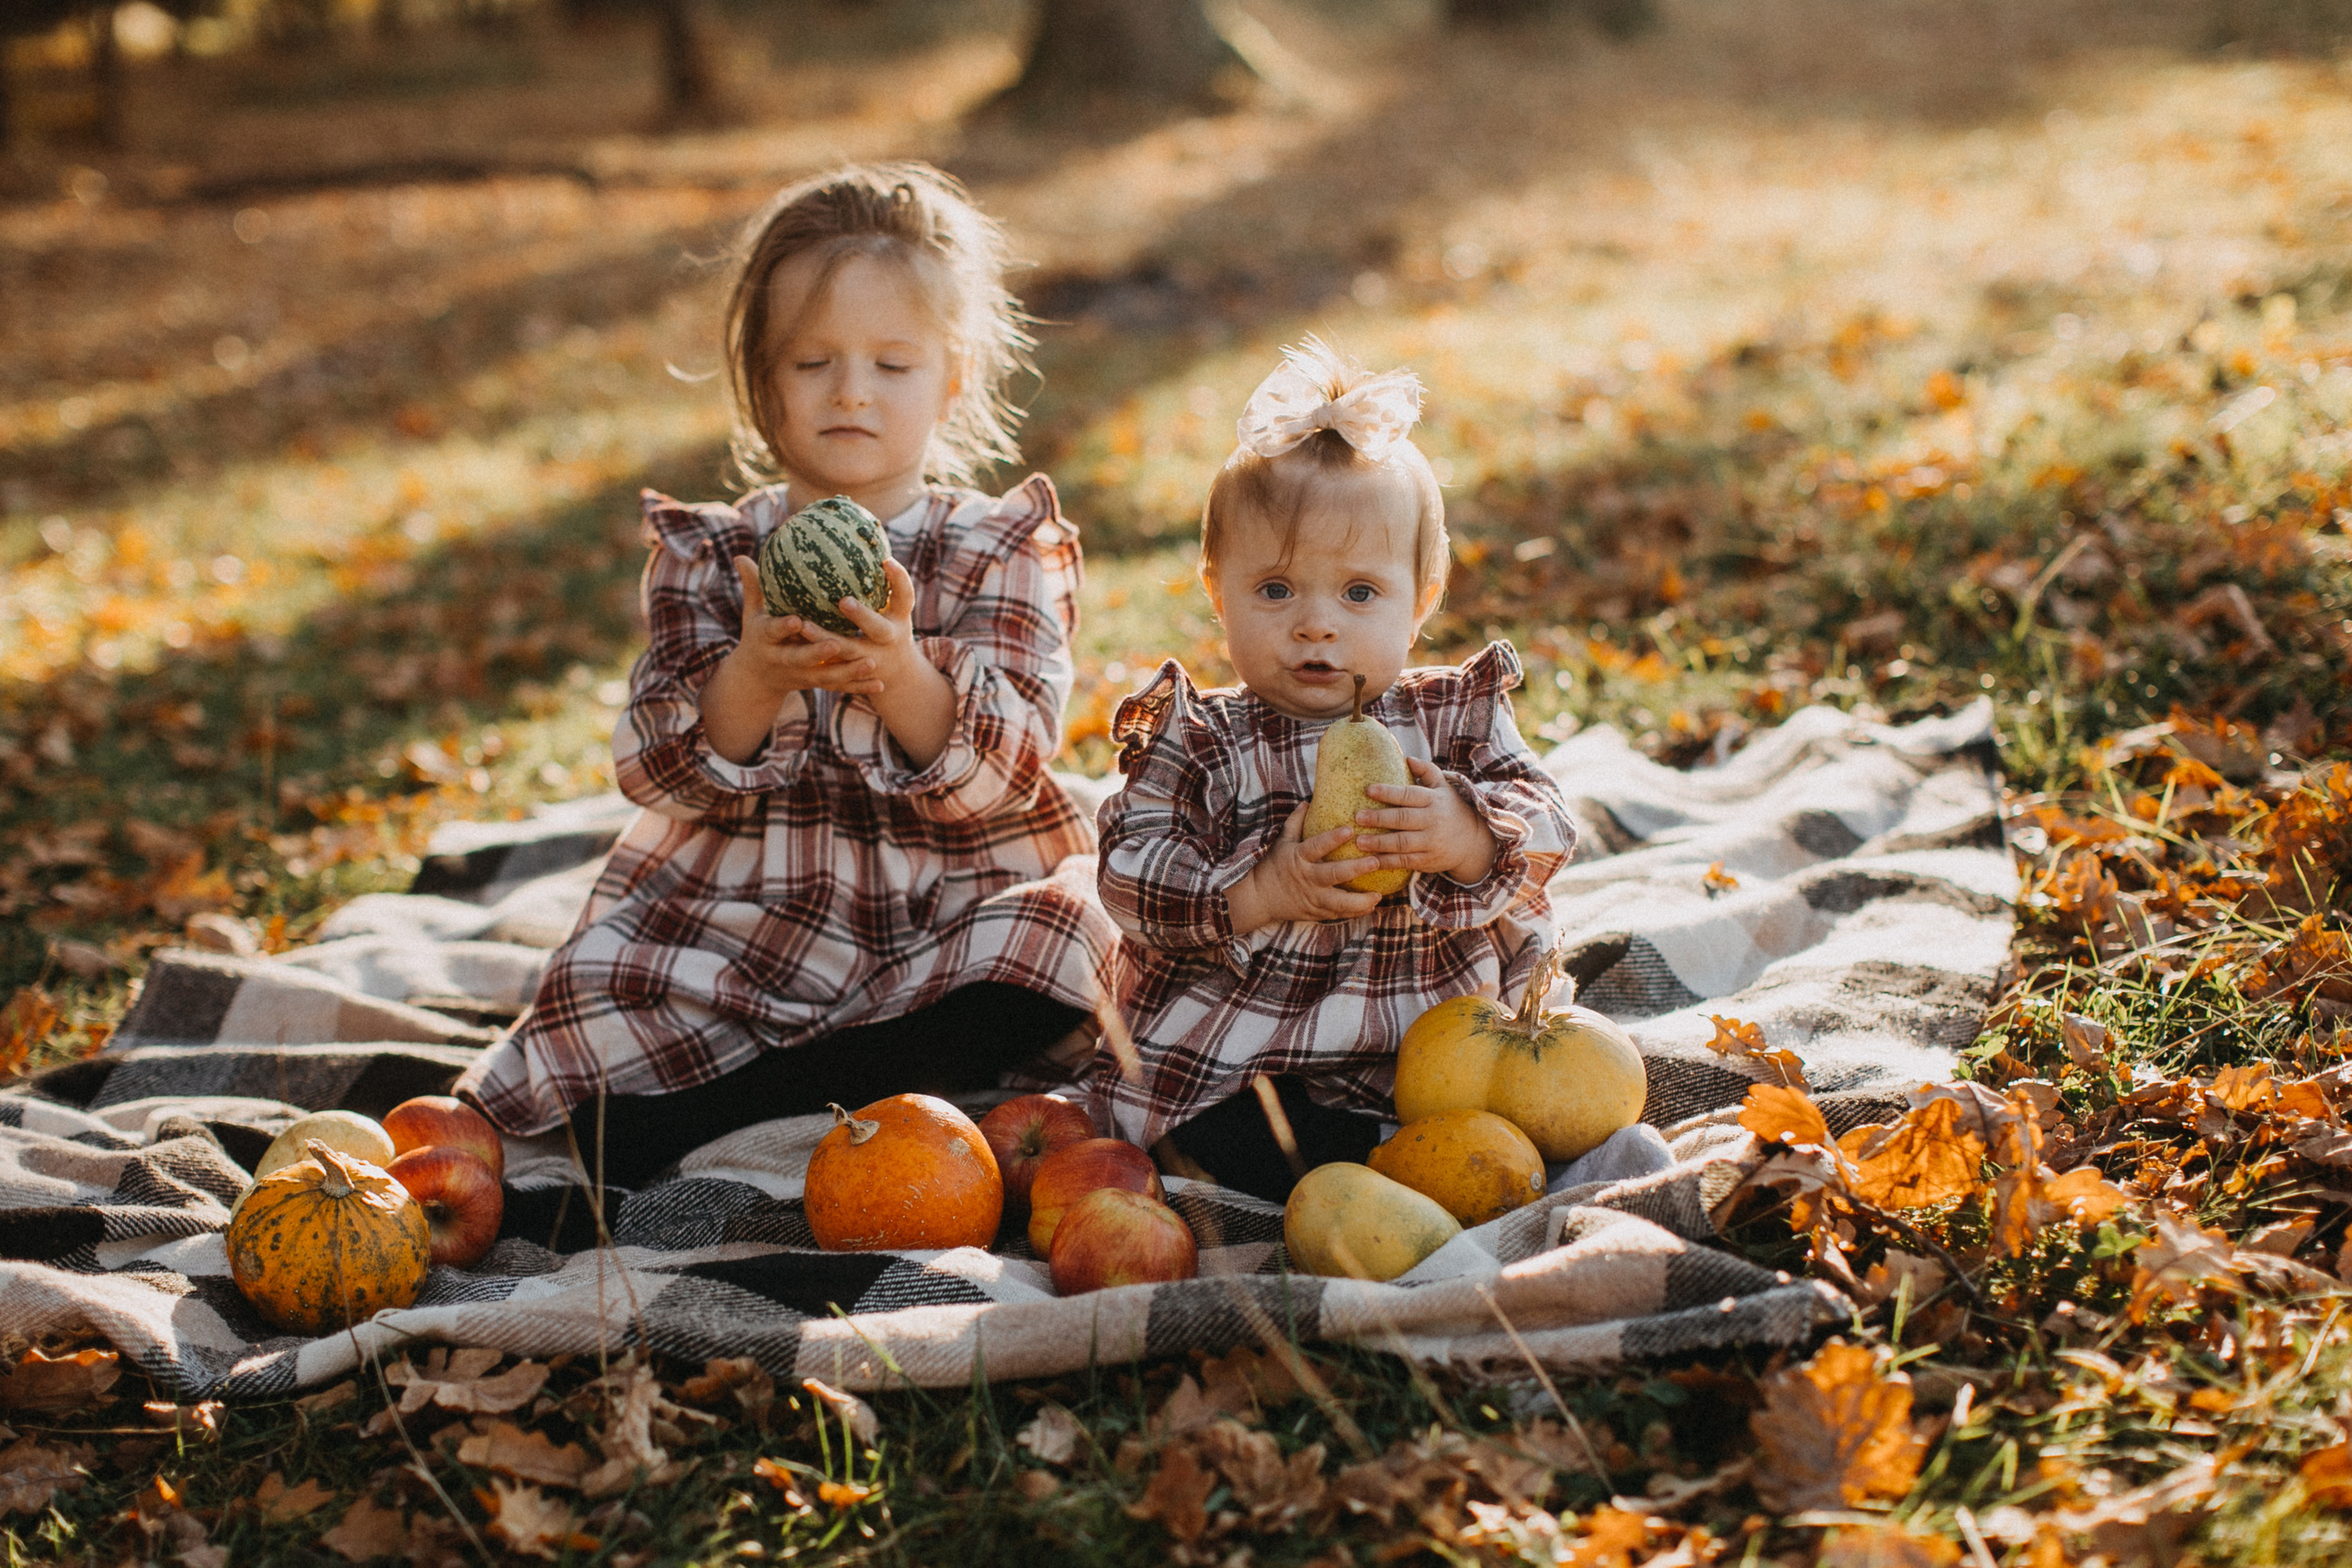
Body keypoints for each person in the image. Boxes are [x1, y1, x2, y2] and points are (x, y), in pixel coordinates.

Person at [457, 164, 1119, 1186]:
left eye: (892, 364)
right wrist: (754, 676)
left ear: (952, 379)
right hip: (749, 906)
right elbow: (656, 771)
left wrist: (900, 672)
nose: (851, 389)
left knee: (1080, 931)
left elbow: (1014, 767)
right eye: (813, 361)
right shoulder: (711, 556)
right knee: (591, 983)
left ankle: (748, 1104)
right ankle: (849, 1081)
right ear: (764, 382)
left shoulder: (999, 548)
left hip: (952, 902)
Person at [1091, 339, 1579, 1202]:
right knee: (1192, 1140)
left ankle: (1445, 1154)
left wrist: (1466, 834)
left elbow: (1547, 821)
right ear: (1218, 589)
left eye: (1359, 593)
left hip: (1435, 1042)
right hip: (1253, 1050)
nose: (1316, 624)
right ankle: (1386, 1165)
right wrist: (1261, 890)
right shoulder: (1201, 738)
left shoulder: (1450, 717)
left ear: (1422, 596)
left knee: (1547, 1092)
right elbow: (1129, 874)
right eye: (1276, 590)